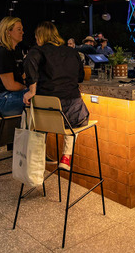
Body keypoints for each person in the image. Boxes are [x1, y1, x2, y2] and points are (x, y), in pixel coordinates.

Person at [23, 22, 88, 171]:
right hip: (73, 114)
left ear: (40, 36)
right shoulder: (72, 52)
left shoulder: (37, 51)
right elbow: (80, 77)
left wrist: (32, 90)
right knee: (75, 122)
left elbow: (29, 64)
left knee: (35, 116)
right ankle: (66, 156)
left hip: (47, 115)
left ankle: (37, 157)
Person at [0, 17, 27, 117]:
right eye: (19, 29)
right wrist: (27, 88)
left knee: (44, 95)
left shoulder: (16, 51)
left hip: (14, 95)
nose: (22, 32)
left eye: (22, 29)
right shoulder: (2, 53)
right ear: (8, 32)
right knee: (41, 99)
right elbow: (10, 85)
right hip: (4, 99)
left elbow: (23, 76)